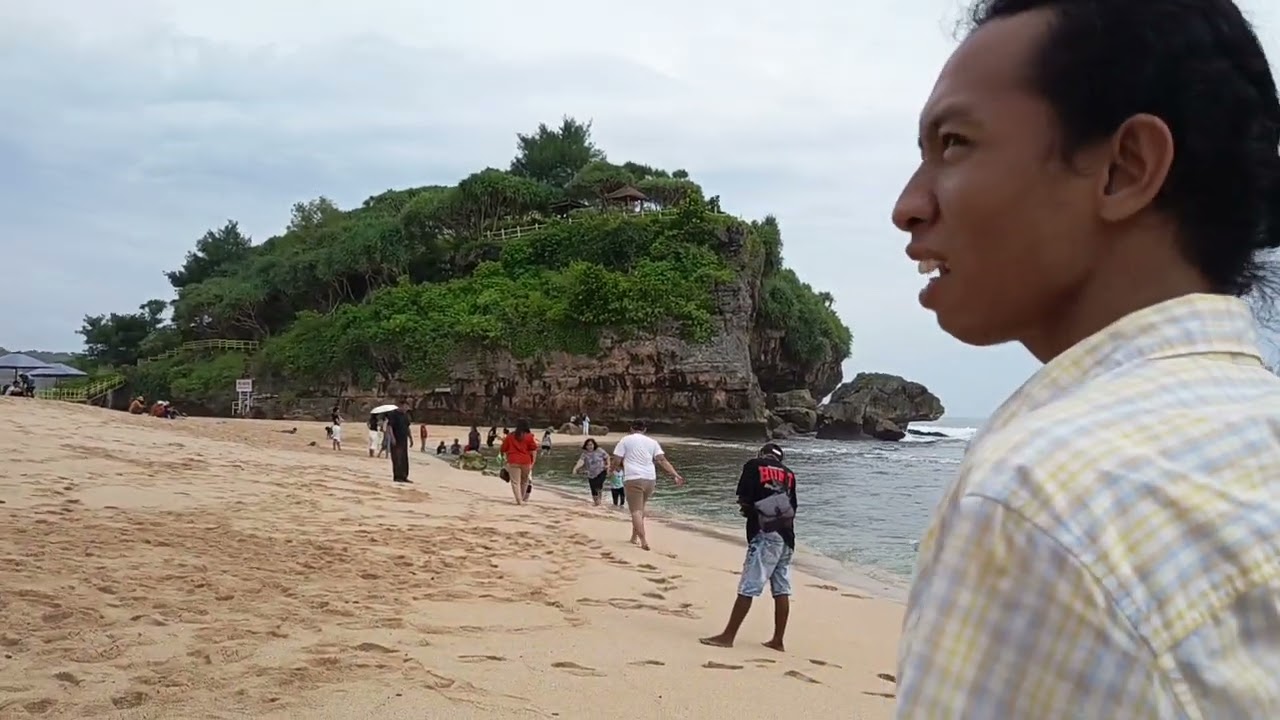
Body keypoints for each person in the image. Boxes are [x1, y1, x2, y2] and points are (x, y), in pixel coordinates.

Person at [891, 2, 1280, 717]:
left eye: (954, 143)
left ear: (1125, 169)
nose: (908, 206)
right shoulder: (1256, 434)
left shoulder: (1034, 498)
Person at [700, 443, 796, 652]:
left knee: (749, 585)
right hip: (787, 536)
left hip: (765, 534)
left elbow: (744, 497)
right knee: (781, 588)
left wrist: (750, 512)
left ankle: (728, 636)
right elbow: (792, 508)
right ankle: (778, 640)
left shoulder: (754, 465)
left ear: (762, 454)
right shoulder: (789, 474)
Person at [611, 420, 683, 550]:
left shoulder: (625, 440)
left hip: (633, 478)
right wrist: (675, 475)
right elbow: (662, 460)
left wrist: (611, 470)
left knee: (635, 511)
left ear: (631, 428)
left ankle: (643, 540)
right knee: (640, 509)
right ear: (644, 430)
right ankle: (634, 537)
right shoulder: (652, 442)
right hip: (650, 479)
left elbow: (617, 459)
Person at [500, 419, 540, 505]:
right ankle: (521, 498)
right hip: (526, 461)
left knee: (515, 482)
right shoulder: (529, 436)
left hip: (513, 461)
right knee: (524, 481)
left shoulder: (510, 436)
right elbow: (533, 448)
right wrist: (532, 461)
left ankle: (519, 500)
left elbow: (503, 448)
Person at [572, 438, 610, 506]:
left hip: (601, 471)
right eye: (588, 445)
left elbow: (607, 457)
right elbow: (581, 461)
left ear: (594, 445)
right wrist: (575, 468)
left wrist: (608, 465)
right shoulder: (585, 454)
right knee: (593, 490)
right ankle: (597, 503)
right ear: (585, 446)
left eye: (591, 444)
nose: (590, 446)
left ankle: (599, 501)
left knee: (598, 486)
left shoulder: (599, 450)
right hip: (591, 474)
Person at [383, 407, 412, 483]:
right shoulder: (393, 415)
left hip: (404, 440)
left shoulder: (405, 416)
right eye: (405, 407)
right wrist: (392, 438)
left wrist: (410, 438)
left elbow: (408, 427)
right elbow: (390, 427)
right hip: (396, 439)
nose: (406, 409)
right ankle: (397, 476)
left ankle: (404, 476)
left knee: (404, 459)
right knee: (397, 458)